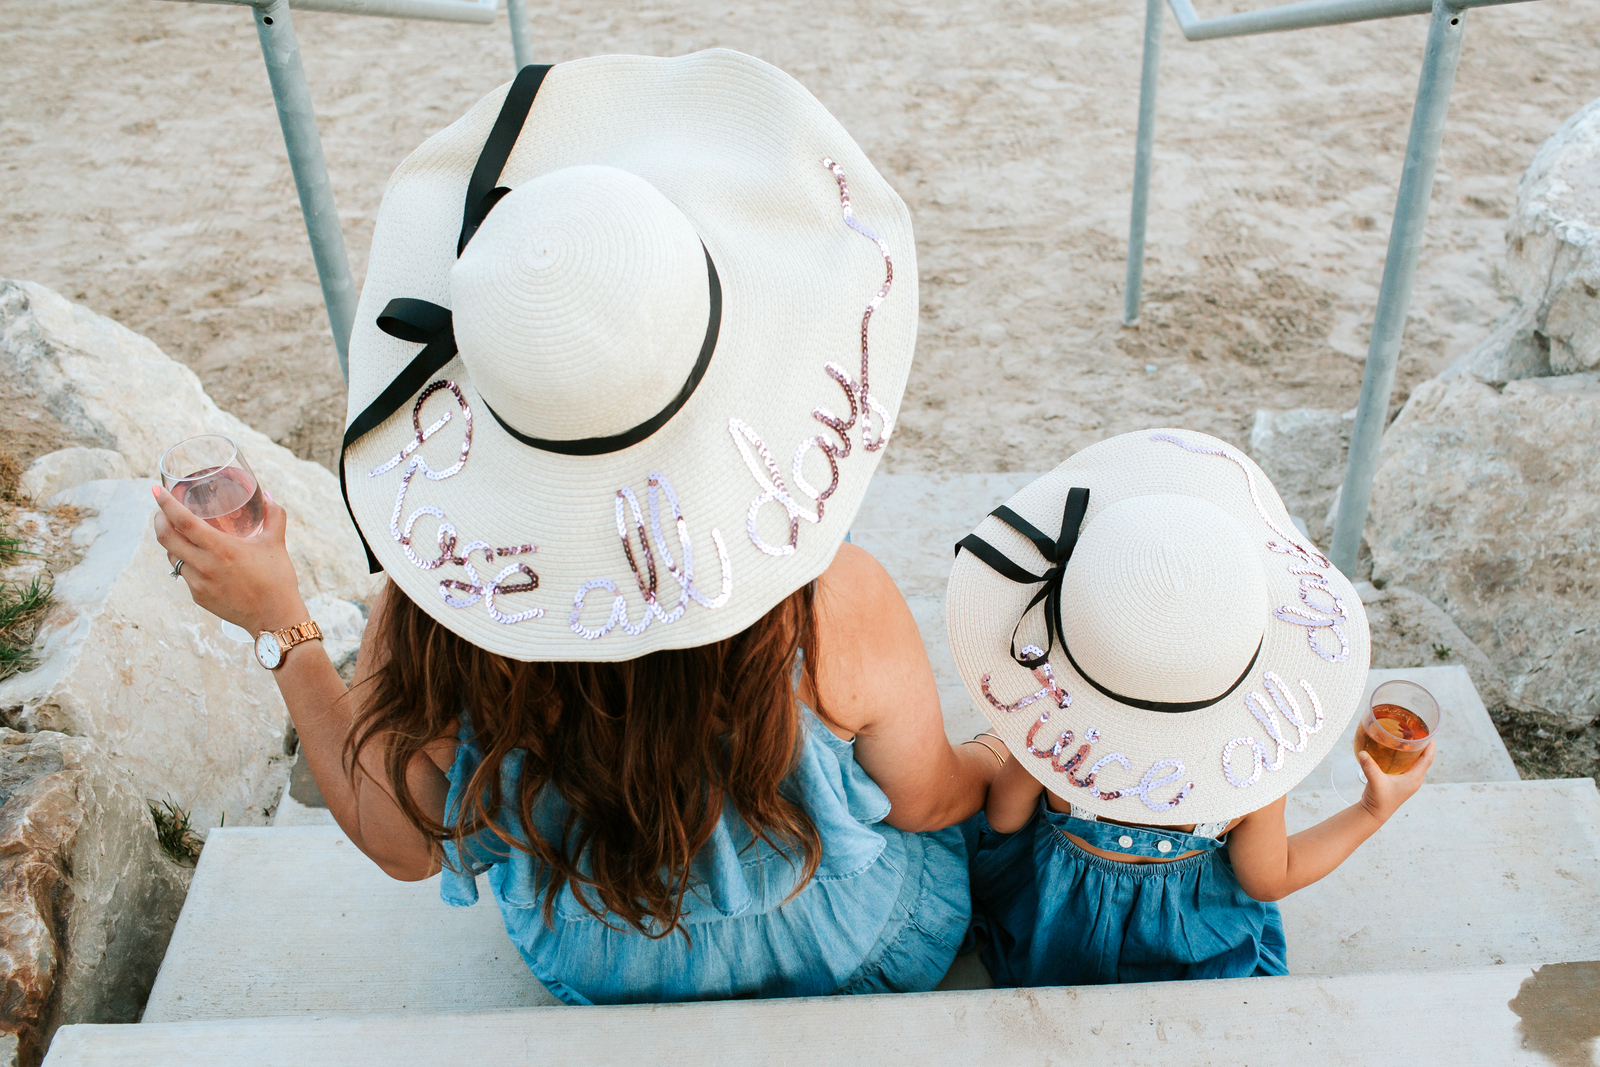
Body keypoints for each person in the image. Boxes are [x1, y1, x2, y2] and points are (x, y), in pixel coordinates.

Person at [153, 49, 996, 1005]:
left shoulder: (433, 618)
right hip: (855, 953)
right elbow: (931, 799)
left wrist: (282, 623)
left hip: (600, 968)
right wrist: (995, 763)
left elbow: (398, 845)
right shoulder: (836, 603)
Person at [944, 428, 1433, 986]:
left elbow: (1005, 820)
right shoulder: (1248, 772)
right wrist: (1372, 810)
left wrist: (1025, 728)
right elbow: (1269, 880)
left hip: (1059, 942)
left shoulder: (1058, 741)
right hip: (1187, 954)